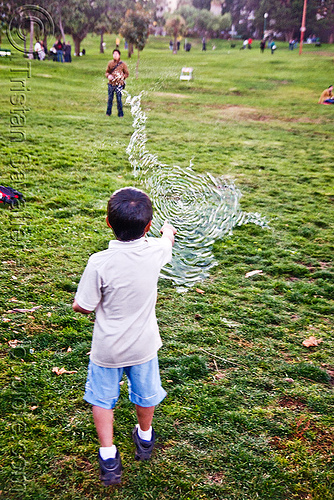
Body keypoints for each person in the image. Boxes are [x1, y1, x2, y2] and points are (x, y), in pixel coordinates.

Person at [73, 187, 177, 485]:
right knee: (146, 392)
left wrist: (77, 303)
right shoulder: (157, 250)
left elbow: (84, 306)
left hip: (107, 350)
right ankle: (145, 438)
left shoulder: (99, 262)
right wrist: (167, 230)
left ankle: (108, 456)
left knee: (102, 399)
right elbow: (166, 241)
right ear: (148, 226)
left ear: (108, 221)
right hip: (144, 345)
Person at [105, 49, 129, 117]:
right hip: (111, 84)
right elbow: (107, 72)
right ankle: (108, 113)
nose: (115, 55)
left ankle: (120, 114)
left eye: (116, 54)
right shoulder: (110, 63)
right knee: (110, 99)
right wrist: (108, 76)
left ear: (119, 55)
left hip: (119, 84)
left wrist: (122, 77)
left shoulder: (123, 64)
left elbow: (127, 73)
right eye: (114, 54)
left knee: (119, 99)